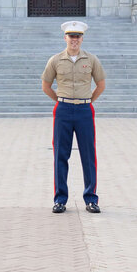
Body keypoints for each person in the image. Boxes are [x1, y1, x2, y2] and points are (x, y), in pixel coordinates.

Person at [41, 20, 106, 214]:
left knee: (88, 155)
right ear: (65, 38)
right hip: (63, 110)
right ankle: (60, 199)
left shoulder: (91, 60)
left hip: (85, 111)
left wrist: (88, 101)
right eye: (71, 36)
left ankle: (91, 199)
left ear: (82, 38)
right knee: (60, 154)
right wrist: (60, 101)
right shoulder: (55, 60)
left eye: (77, 37)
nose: (74, 40)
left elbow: (101, 84)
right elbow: (46, 85)